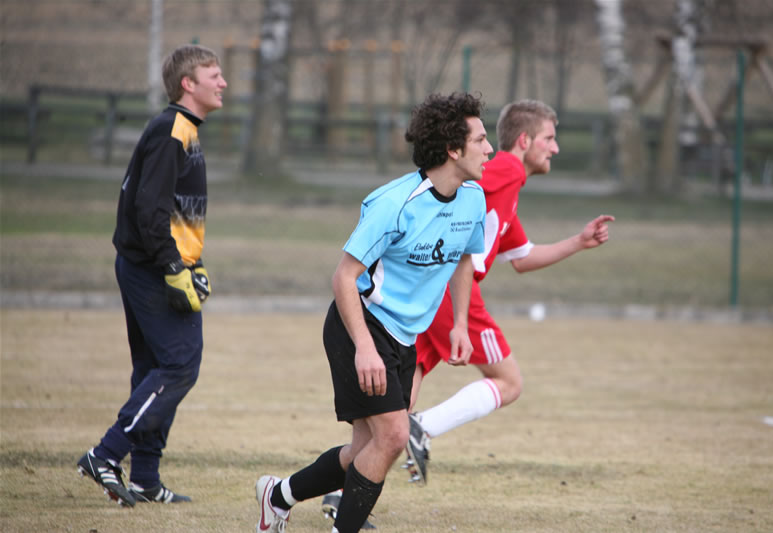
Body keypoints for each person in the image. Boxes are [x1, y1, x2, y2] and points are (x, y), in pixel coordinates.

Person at [254, 92, 492, 533]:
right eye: (480, 139)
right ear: (453, 150)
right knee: (394, 437)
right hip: (360, 327)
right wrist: (364, 348)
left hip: (405, 339)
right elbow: (344, 278)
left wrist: (458, 324)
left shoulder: (473, 199)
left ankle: (277, 494)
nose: (489, 147)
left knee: (366, 448)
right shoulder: (393, 204)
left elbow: (462, 259)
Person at [404, 99, 615, 484]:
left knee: (401, 399)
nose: (555, 148)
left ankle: (344, 490)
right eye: (549, 138)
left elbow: (522, 256)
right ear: (524, 140)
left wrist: (579, 242)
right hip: (454, 291)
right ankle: (423, 428)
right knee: (510, 382)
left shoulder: (509, 187)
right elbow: (454, 186)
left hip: (436, 289)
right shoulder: (504, 169)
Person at [76, 44, 227, 507]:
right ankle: (105, 455)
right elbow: (149, 209)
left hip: (153, 266)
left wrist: (191, 262)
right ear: (189, 84)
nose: (223, 83)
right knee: (180, 366)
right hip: (151, 270)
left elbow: (173, 211)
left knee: (152, 370)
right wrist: (173, 267)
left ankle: (144, 477)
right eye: (214, 75)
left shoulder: (183, 130)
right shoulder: (171, 131)